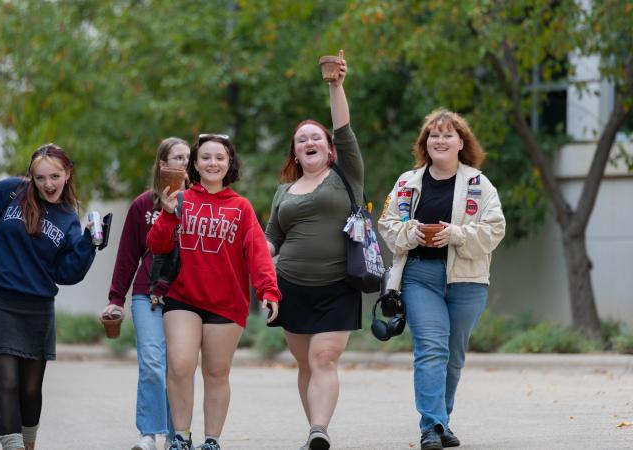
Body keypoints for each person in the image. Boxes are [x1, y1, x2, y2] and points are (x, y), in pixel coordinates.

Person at [0, 144, 100, 450]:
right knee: (8, 382)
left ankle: (29, 445)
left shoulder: (69, 217)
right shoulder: (12, 192)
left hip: (37, 307)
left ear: (68, 174)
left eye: (55, 176)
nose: (48, 184)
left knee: (31, 389)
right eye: (41, 178)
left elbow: (66, 273)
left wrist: (90, 245)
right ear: (32, 177)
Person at [377, 110, 506, 450]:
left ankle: (441, 420)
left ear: (461, 142)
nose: (440, 140)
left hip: (468, 279)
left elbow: (495, 230)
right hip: (420, 276)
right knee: (431, 347)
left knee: (453, 353)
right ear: (425, 143)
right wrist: (412, 231)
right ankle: (432, 427)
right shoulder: (407, 183)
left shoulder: (480, 184)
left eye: (448, 135)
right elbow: (387, 225)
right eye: (433, 135)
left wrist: (457, 235)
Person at [147, 134, 281, 450]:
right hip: (184, 297)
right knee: (180, 365)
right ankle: (180, 437)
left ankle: (211, 440)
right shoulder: (179, 199)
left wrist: (268, 290)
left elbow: (257, 253)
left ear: (228, 163)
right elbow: (157, 246)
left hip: (226, 302)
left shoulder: (241, 207)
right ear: (194, 164)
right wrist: (167, 214)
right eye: (205, 157)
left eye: (219, 157)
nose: (212, 163)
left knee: (216, 372)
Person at [263, 50, 361, 450]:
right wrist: (257, 265)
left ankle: (319, 430)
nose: (308, 142)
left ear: (330, 149)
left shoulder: (346, 175)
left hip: (339, 284)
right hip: (292, 286)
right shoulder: (283, 191)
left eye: (315, 137)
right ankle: (315, 429)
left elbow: (343, 128)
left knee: (324, 359)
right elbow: (272, 238)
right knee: (305, 363)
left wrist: (336, 85)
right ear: (295, 150)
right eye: (301, 139)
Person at [101, 137, 190, 450]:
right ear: (163, 164)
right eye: (178, 158)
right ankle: (149, 434)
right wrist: (115, 299)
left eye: (188, 158)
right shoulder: (143, 205)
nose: (185, 164)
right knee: (153, 363)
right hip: (148, 294)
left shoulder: (199, 203)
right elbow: (127, 255)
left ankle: (175, 435)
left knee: (177, 367)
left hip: (187, 298)